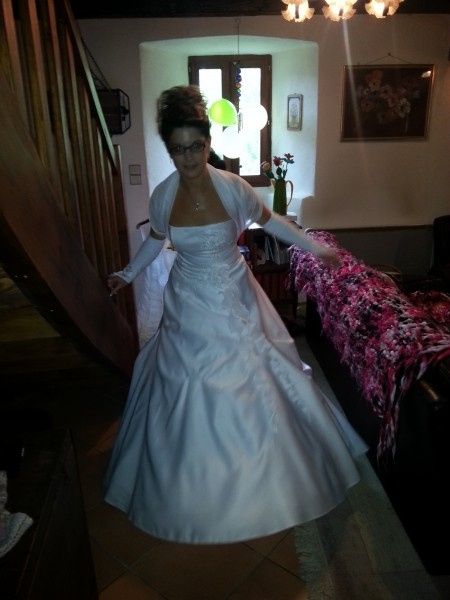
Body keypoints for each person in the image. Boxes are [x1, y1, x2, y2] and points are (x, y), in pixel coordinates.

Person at [105, 85, 366, 544]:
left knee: (261, 372)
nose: (188, 157)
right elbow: (155, 242)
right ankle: (189, 482)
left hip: (234, 294)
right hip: (187, 301)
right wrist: (126, 275)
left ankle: (272, 476)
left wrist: (315, 247)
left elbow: (271, 221)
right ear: (169, 149)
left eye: (196, 146)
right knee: (183, 381)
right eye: (179, 148)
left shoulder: (232, 187)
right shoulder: (163, 196)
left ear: (208, 144)